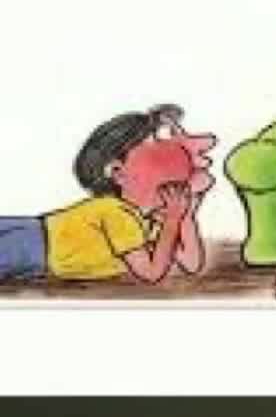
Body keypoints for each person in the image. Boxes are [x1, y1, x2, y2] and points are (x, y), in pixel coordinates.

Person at [0, 104, 216, 284]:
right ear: (117, 173)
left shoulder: (151, 220)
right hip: (29, 243)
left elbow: (191, 264)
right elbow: (151, 273)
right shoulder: (116, 212)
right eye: (159, 160)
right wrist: (173, 220)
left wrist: (186, 216)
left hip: (36, 256)